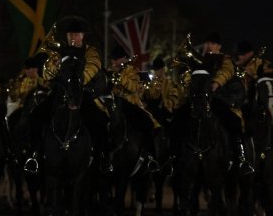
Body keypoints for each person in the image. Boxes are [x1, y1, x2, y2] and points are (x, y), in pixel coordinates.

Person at [25, 18, 111, 175]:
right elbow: (47, 73)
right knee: (37, 114)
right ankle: (34, 155)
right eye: (70, 34)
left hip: (82, 92)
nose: (73, 37)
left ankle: (103, 157)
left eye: (76, 34)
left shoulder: (90, 51)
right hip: (60, 92)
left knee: (100, 119)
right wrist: (52, 67)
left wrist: (75, 81)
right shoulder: (59, 52)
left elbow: (93, 66)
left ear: (82, 36)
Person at [109, 46, 168, 174]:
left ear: (123, 59)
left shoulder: (132, 70)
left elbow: (133, 87)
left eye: (116, 59)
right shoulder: (111, 71)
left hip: (131, 105)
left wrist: (120, 77)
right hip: (114, 105)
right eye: (113, 59)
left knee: (148, 124)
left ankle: (152, 158)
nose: (114, 62)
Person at [203, 32, 253, 175]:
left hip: (222, 100)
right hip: (203, 100)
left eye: (212, 43)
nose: (209, 46)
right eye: (207, 43)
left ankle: (241, 157)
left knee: (234, 122)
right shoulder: (203, 60)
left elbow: (226, 72)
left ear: (219, 46)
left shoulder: (226, 59)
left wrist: (216, 83)